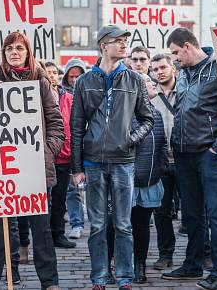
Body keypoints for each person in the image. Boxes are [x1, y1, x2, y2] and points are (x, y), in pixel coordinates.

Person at [0, 32, 64, 290]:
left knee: (41, 230)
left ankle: (50, 282)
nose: (14, 53)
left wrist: (45, 151)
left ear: (27, 52)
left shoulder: (41, 81)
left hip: (35, 167)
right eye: (9, 49)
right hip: (2, 168)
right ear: (3, 53)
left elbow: (56, 124)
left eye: (20, 48)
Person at [72, 25, 154, 290]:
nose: (123, 45)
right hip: (93, 163)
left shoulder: (135, 79)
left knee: (123, 224)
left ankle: (124, 277)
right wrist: (77, 168)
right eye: (117, 41)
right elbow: (76, 127)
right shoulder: (85, 81)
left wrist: (131, 139)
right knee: (96, 224)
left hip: (123, 162)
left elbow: (148, 118)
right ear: (103, 46)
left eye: (124, 41)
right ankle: (98, 277)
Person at [162, 28, 217, 290]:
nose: (174, 59)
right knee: (192, 214)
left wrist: (216, 148)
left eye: (175, 53)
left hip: (210, 154)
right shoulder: (183, 74)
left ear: (187, 46)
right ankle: (192, 264)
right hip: (184, 153)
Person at [131, 73, 168, 284]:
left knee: (142, 226)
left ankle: (140, 265)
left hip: (149, 181)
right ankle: (112, 264)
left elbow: (161, 145)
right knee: (118, 227)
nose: (153, 83)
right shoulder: (125, 113)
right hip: (126, 183)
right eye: (147, 81)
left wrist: (160, 168)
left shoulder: (157, 113)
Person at [149, 53, 178, 271]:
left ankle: (202, 254)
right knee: (161, 210)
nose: (159, 71)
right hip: (161, 162)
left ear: (173, 69)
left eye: (163, 67)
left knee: (195, 209)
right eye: (155, 69)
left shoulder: (186, 93)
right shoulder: (150, 96)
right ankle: (165, 254)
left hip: (185, 159)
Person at [43, 62, 77, 249]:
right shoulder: (37, 97)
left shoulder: (69, 98)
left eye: (55, 72)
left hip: (64, 157)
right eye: (48, 73)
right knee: (42, 200)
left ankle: (58, 234)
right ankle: (44, 236)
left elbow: (74, 126)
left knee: (59, 199)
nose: (52, 76)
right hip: (44, 157)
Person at [60, 57, 87, 239]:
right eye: (72, 77)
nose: (75, 80)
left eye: (79, 76)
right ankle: (76, 223)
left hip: (89, 148)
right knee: (72, 189)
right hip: (69, 149)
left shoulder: (91, 93)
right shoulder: (62, 96)